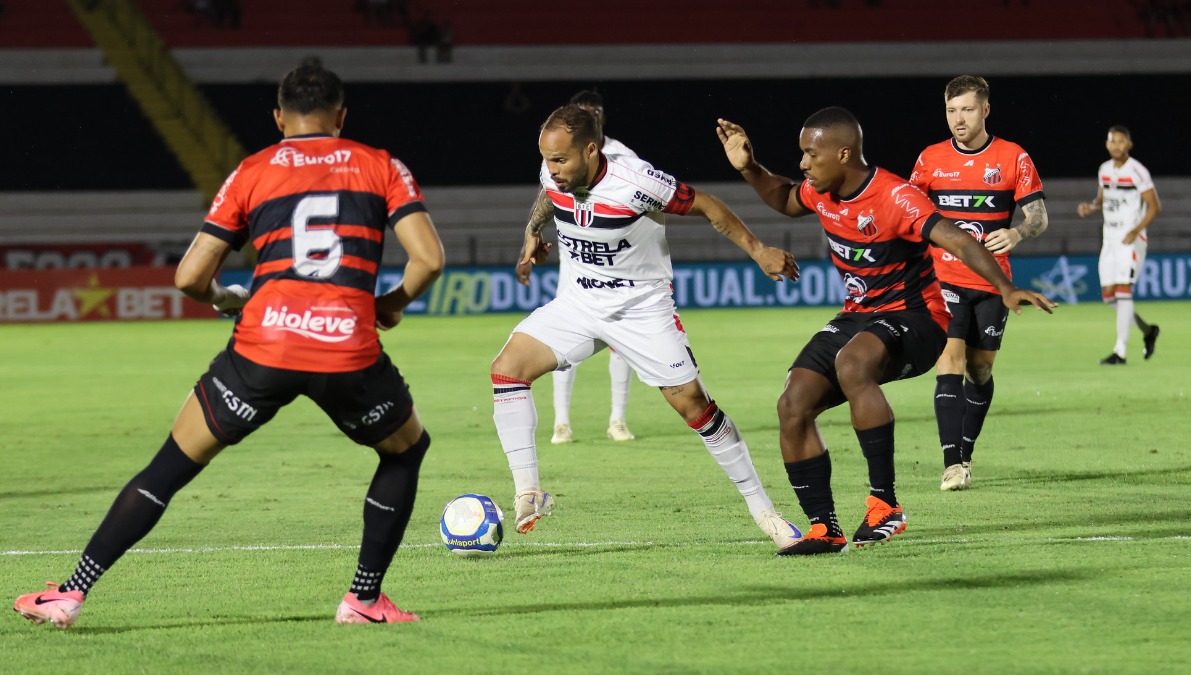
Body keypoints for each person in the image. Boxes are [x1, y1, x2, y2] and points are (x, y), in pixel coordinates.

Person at [13, 60, 445, 628]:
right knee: (405, 450)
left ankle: (70, 594)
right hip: (345, 348)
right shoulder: (380, 165)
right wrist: (390, 302)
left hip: (262, 348)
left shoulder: (253, 170)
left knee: (170, 467)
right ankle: (363, 601)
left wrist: (226, 299)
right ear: (341, 116)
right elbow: (429, 260)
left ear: (278, 118)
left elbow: (189, 277)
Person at [716, 108, 1055, 556]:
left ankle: (885, 507)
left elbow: (956, 238)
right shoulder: (822, 191)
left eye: (810, 154)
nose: (802, 163)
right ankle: (824, 529)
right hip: (859, 315)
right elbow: (784, 198)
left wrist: (1005, 287)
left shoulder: (895, 196)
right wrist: (749, 168)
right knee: (793, 401)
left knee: (853, 363)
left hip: (919, 318)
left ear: (843, 154)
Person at [494, 104, 807, 551]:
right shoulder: (554, 172)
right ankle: (529, 491)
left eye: (560, 159)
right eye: (546, 159)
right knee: (507, 369)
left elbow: (707, 205)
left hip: (641, 311)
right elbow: (547, 193)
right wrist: (532, 231)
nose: (552, 168)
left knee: (695, 408)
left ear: (591, 150)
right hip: (580, 303)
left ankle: (765, 512)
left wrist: (758, 250)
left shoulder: (637, 183)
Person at [909, 75, 1049, 492]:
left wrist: (1018, 233)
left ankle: (966, 453)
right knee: (949, 361)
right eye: (951, 110)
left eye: (967, 110)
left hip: (992, 282)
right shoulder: (930, 159)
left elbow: (1039, 217)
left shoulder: (1013, 157)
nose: (959, 119)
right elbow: (908, 212)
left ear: (985, 110)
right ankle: (952, 464)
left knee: (980, 369)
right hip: (942, 279)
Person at [515, 89, 642, 445]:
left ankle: (618, 419)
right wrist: (529, 242)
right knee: (563, 346)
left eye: (595, 111)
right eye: (584, 111)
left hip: (617, 270)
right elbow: (546, 198)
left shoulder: (624, 157)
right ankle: (561, 423)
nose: (591, 116)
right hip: (575, 269)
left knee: (621, 344)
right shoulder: (558, 157)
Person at [1076, 125, 1161, 366]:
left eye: (1121, 141)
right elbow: (1102, 199)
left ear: (1129, 144)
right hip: (1110, 238)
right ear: (1107, 144)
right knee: (1109, 296)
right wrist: (1091, 207)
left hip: (1130, 238)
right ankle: (1148, 331)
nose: (1116, 145)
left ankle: (1120, 351)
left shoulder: (1137, 171)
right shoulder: (1104, 170)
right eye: (1112, 141)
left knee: (1124, 291)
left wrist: (1135, 230)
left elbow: (1154, 206)